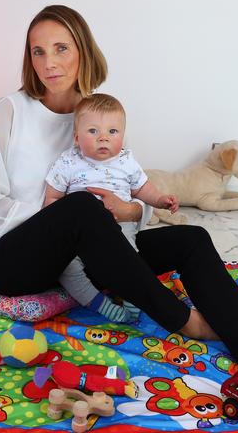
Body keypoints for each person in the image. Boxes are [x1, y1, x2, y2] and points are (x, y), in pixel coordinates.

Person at [0, 4, 238, 422]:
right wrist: (67, 218)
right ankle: (185, 320)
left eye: (61, 48)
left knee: (190, 239)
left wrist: (127, 209)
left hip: (82, 252)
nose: (49, 62)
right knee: (81, 207)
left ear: (82, 51)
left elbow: (130, 189)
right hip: (12, 259)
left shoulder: (95, 114)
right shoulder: (13, 109)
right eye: (38, 51)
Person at [44, 93, 179, 323]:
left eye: (112, 132)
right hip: (80, 234)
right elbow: (52, 198)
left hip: (120, 225)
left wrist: (159, 200)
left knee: (128, 258)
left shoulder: (126, 161)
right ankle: (99, 304)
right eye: (93, 131)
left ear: (123, 137)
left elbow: (142, 188)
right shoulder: (68, 162)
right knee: (65, 267)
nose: (103, 138)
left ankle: (131, 296)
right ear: (77, 138)